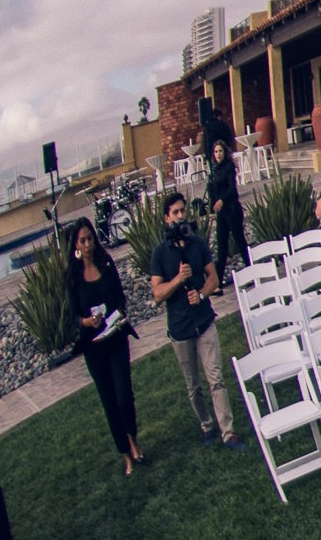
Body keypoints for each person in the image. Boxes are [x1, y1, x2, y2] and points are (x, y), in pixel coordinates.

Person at [147, 193, 243, 450]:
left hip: (204, 320)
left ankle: (228, 431)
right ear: (167, 218)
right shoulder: (159, 253)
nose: (180, 216)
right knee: (193, 386)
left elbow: (213, 277)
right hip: (180, 328)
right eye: (175, 213)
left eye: (183, 211)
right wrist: (178, 280)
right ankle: (206, 425)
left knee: (216, 378)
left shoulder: (198, 244)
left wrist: (201, 294)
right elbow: (157, 294)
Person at [65, 222, 143, 476]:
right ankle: (125, 453)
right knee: (109, 400)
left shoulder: (106, 264)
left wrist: (117, 315)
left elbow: (120, 296)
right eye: (82, 241)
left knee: (123, 396)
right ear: (75, 245)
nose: (87, 246)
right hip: (94, 346)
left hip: (116, 337)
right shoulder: (73, 276)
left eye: (90, 239)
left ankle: (133, 437)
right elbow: (73, 315)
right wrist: (86, 322)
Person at [207, 138, 246, 277]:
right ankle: (218, 281)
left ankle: (252, 269)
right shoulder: (214, 170)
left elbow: (232, 189)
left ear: (225, 152)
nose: (218, 154)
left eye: (220, 151)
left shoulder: (229, 167)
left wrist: (222, 200)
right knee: (221, 246)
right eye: (216, 152)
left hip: (232, 210)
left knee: (240, 242)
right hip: (221, 214)